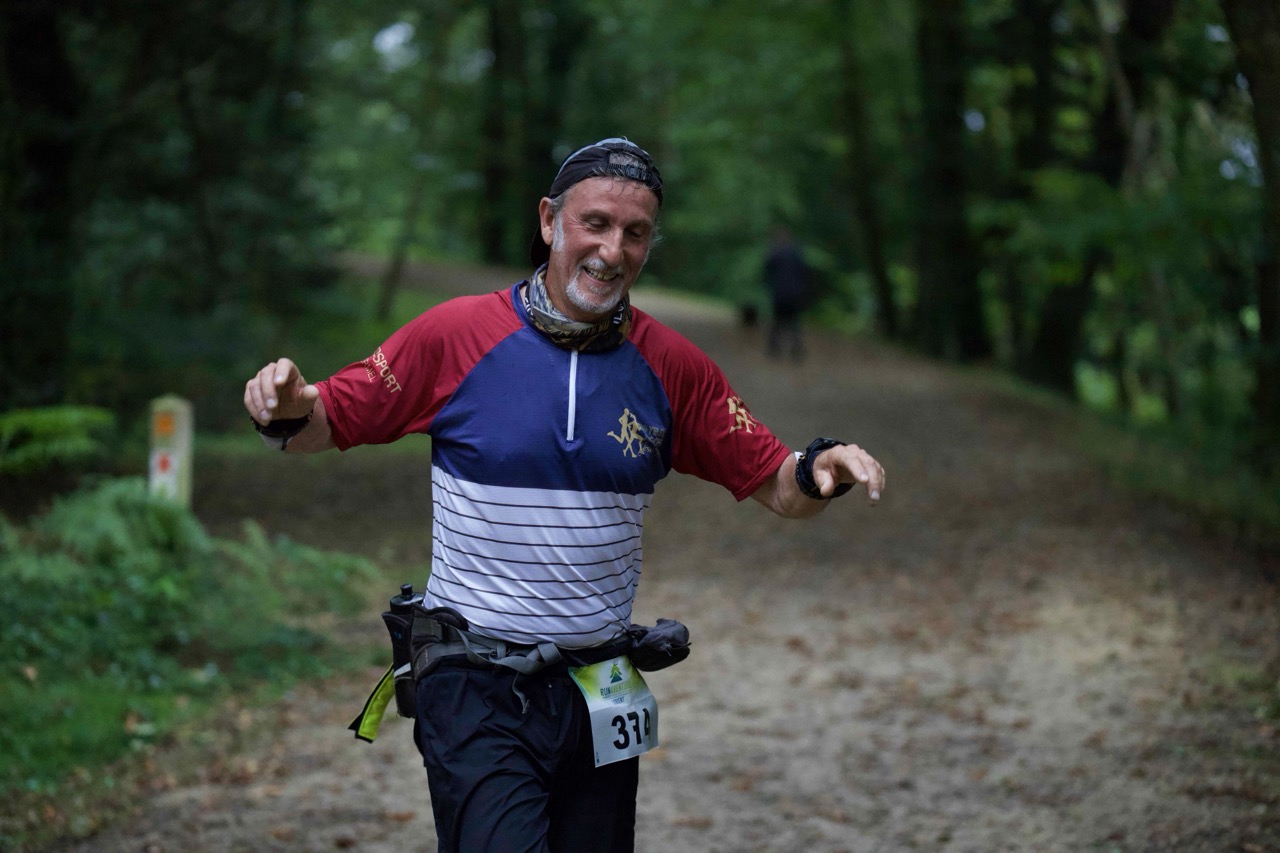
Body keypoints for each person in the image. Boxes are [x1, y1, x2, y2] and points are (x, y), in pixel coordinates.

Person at [243, 137, 885, 853]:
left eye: (635, 233)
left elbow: (779, 484)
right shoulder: (456, 334)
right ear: (550, 220)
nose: (613, 251)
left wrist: (823, 466)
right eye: (596, 224)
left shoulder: (673, 366)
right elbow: (327, 419)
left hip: (600, 687)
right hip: (474, 684)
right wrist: (284, 407)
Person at [763, 226, 813, 362]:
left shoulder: (775, 253)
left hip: (780, 293)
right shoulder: (797, 254)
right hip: (793, 293)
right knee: (793, 322)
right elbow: (804, 272)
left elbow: (766, 272)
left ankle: (774, 349)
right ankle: (795, 349)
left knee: (778, 321)